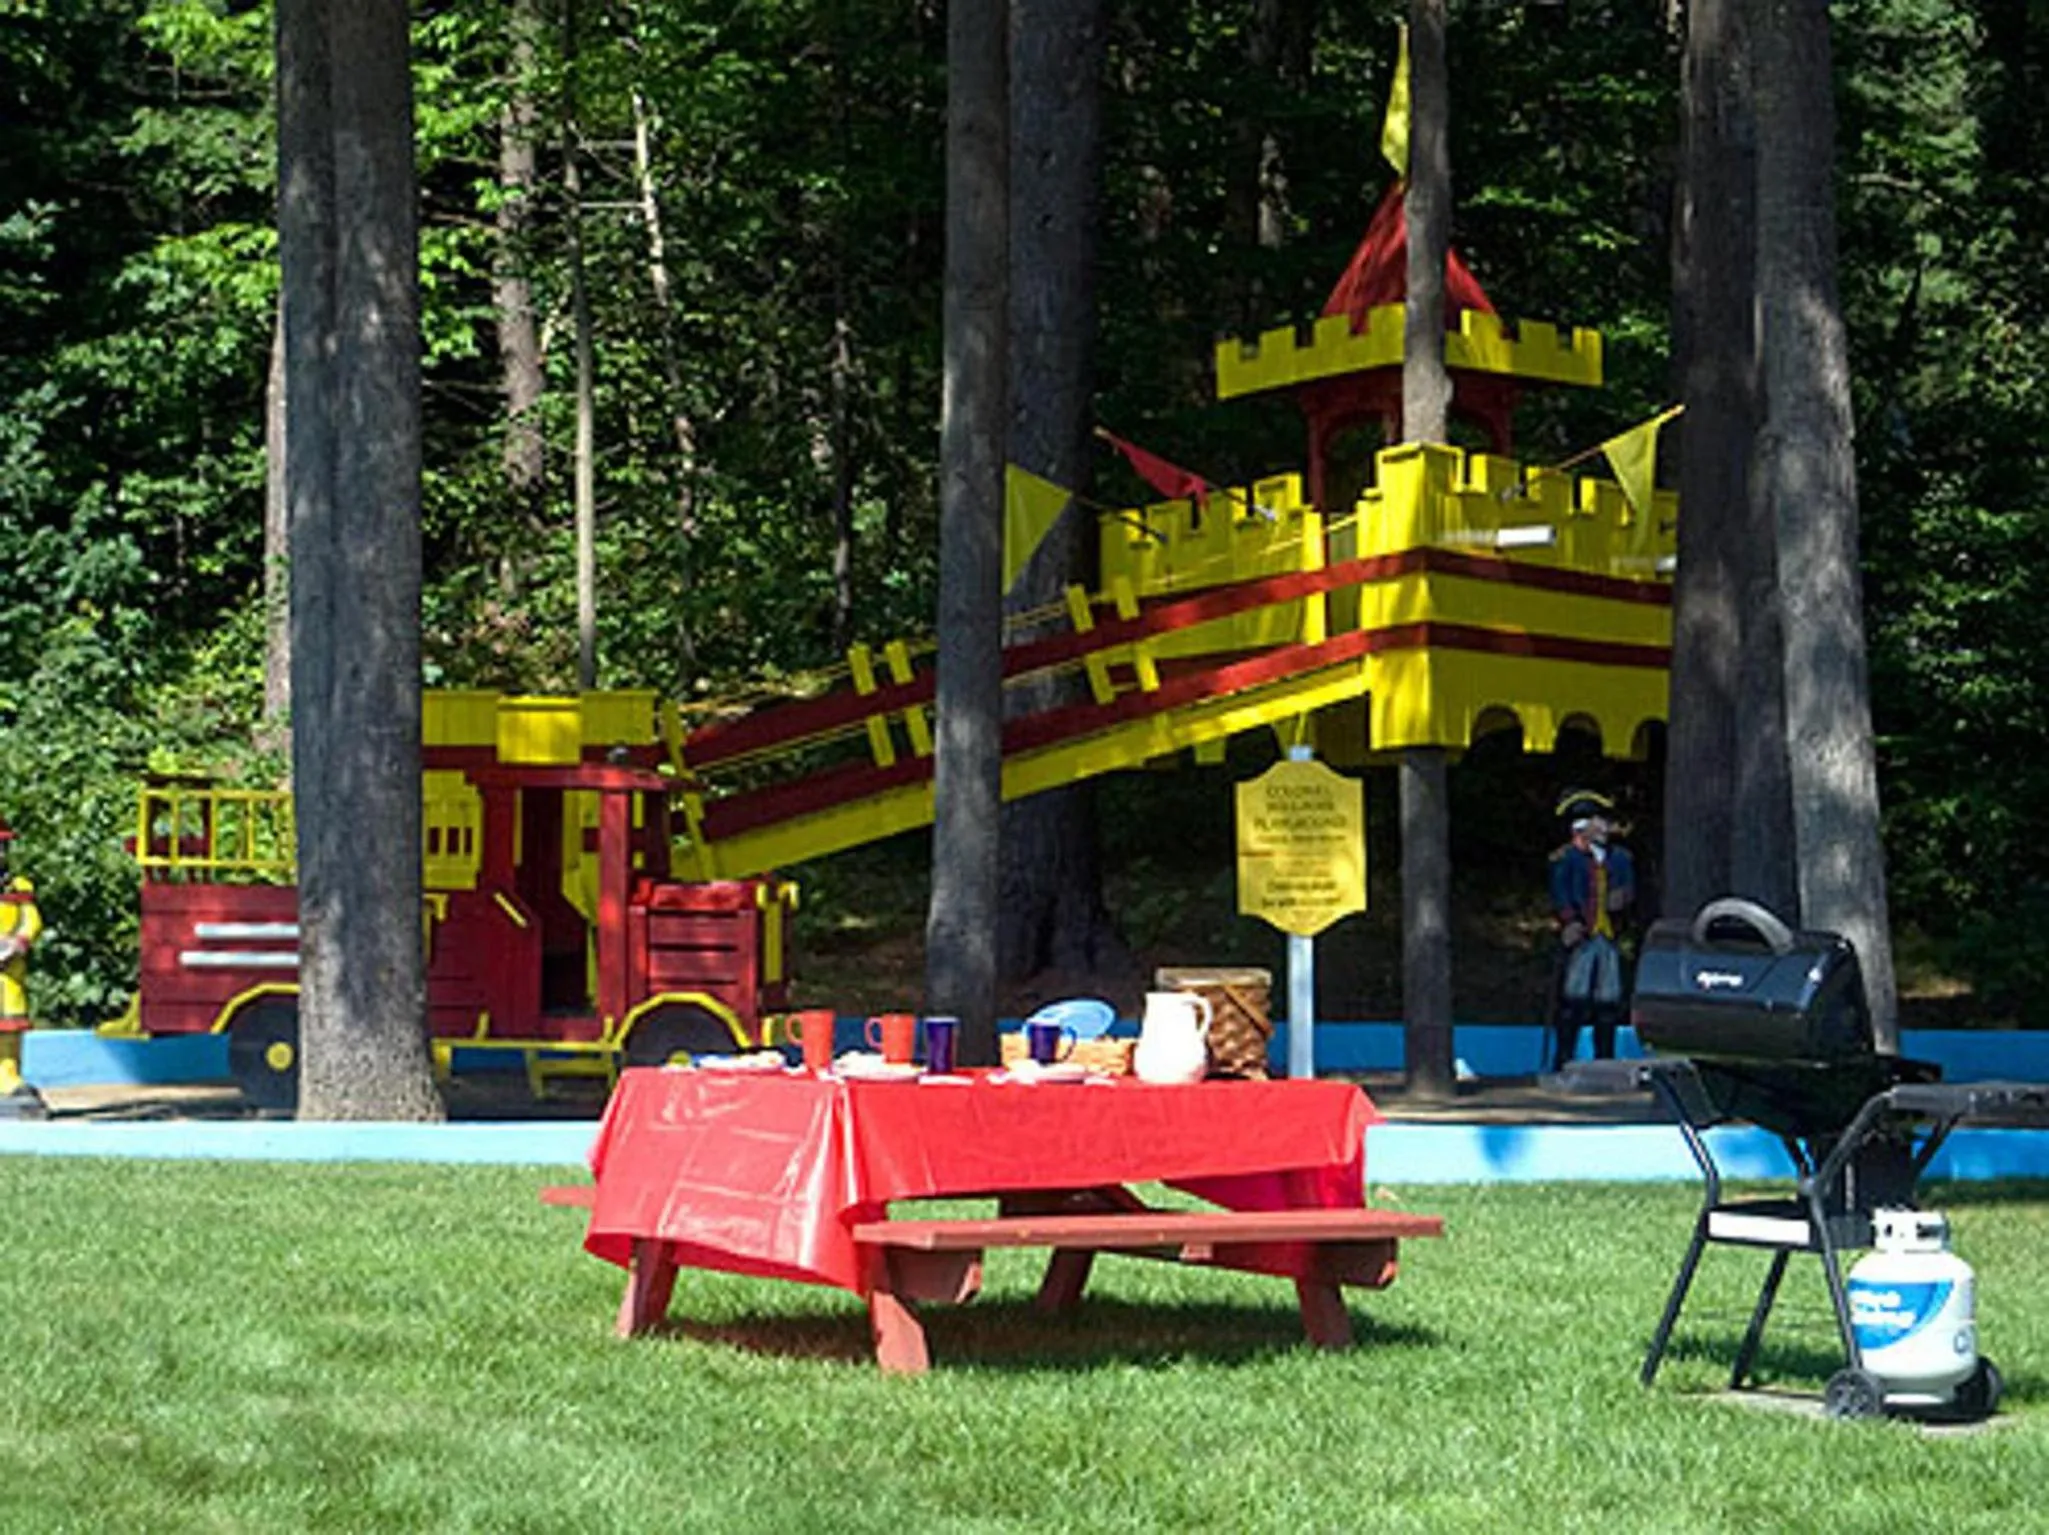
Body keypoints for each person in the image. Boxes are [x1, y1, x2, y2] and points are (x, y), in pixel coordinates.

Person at [1547, 789, 1635, 1070]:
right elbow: (1560, 894)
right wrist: (1570, 921)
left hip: (1608, 936)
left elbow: (1628, 890)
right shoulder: (1566, 859)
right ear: (1582, 827)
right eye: (1600, 822)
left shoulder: (1619, 858)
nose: (1606, 828)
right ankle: (1564, 1059)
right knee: (1573, 999)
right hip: (1582, 936)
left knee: (1607, 1002)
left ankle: (1604, 1059)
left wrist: (1623, 899)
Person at [0, 821, 45, 1108]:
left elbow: (32, 920)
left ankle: (7, 1074)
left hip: (9, 968)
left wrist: (19, 942)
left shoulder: (18, 886)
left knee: (11, 1023)